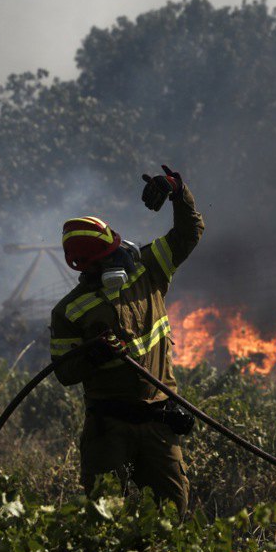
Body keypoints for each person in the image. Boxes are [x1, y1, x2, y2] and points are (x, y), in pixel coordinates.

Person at [49, 165, 204, 514]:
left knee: (171, 516)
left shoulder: (149, 270)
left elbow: (189, 231)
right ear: (87, 266)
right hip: (108, 429)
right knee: (104, 521)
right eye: (111, 254)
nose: (123, 255)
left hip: (159, 422)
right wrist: (93, 356)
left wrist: (178, 191)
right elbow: (64, 372)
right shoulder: (69, 312)